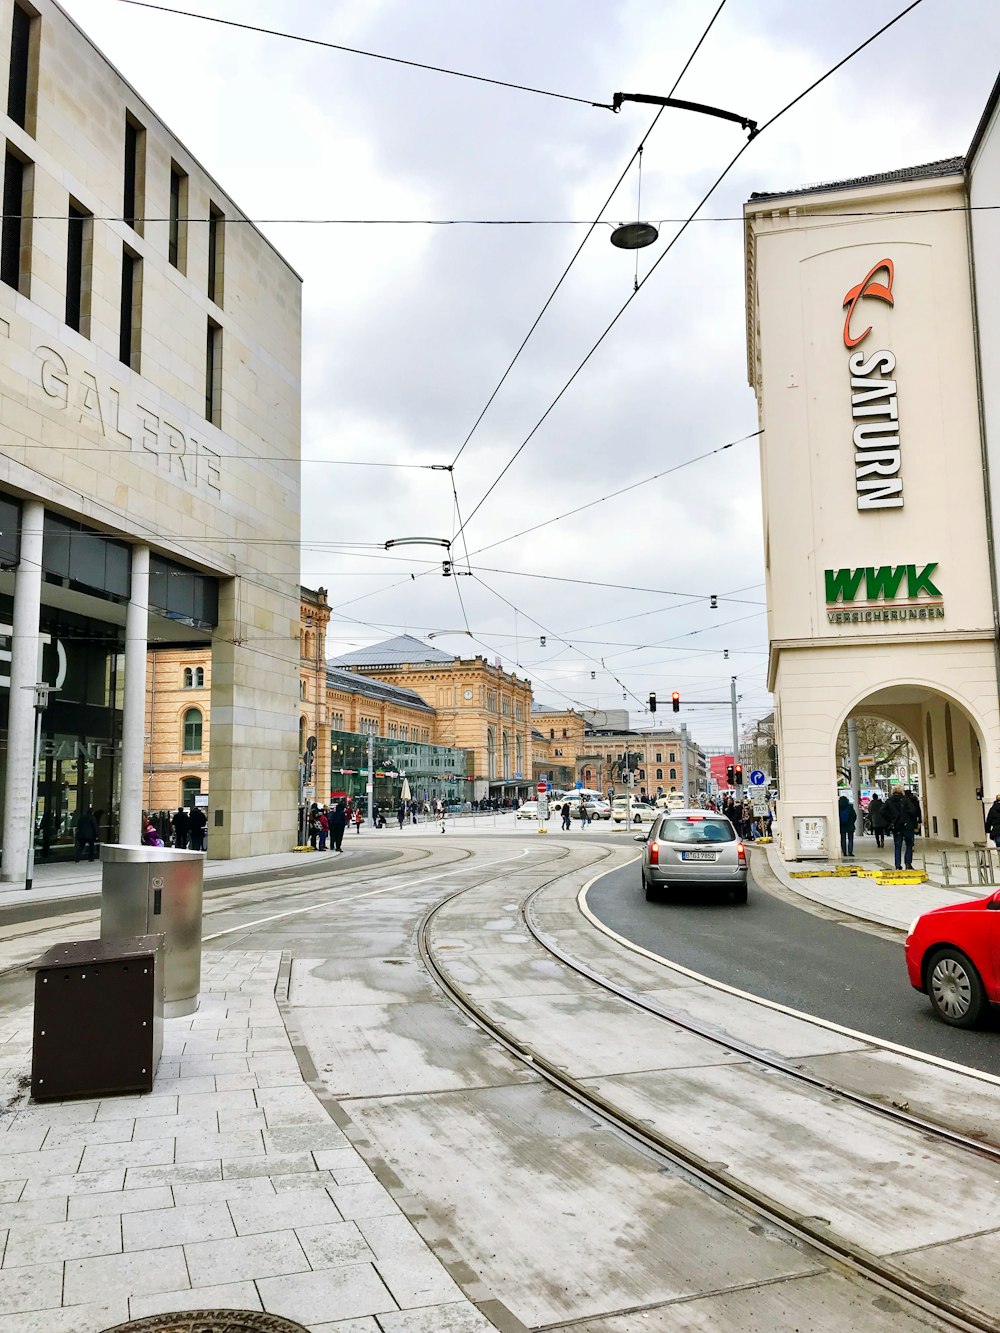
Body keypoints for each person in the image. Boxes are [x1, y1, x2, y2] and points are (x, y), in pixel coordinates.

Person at [884, 787, 921, 870]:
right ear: (901, 791)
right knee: (909, 844)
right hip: (907, 825)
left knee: (897, 846)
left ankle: (897, 865)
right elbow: (912, 811)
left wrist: (890, 820)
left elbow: (882, 811)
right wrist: (912, 821)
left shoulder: (889, 800)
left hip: (896, 826)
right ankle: (908, 863)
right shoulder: (906, 800)